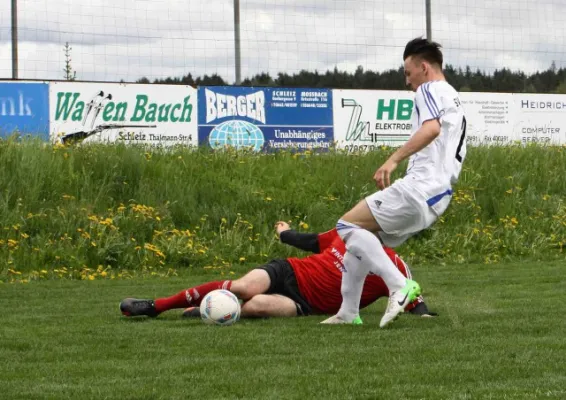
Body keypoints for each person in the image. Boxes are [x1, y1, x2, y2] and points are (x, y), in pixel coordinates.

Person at [322, 37, 467, 327]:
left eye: (408, 72)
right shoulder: (451, 95)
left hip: (421, 187)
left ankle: (398, 284)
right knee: (361, 243)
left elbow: (431, 129)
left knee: (347, 226)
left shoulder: (428, 89)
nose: (407, 80)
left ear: (424, 68)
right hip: (439, 195)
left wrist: (392, 160)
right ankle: (348, 313)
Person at [120, 221, 437, 320]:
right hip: (289, 272)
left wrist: (423, 314)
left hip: (306, 304)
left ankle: (207, 307)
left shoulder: (394, 267)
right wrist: (285, 233)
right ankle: (156, 306)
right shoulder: (350, 234)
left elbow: (410, 296)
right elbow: (313, 241)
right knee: (245, 287)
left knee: (255, 305)